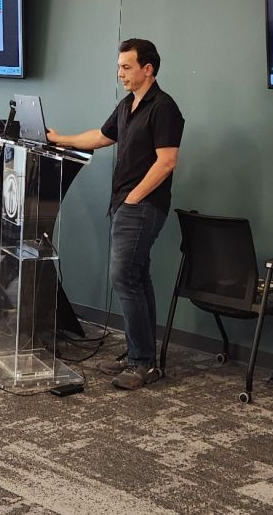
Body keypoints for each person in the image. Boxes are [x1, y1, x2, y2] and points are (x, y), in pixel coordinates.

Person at [47, 38, 184, 390]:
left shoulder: (164, 107)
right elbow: (102, 136)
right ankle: (140, 353)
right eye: (119, 67)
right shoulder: (127, 105)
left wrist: (134, 199)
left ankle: (143, 363)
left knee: (124, 277)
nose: (120, 73)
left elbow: (167, 161)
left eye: (126, 67)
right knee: (137, 278)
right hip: (126, 204)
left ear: (147, 69)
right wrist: (60, 139)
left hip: (142, 206)